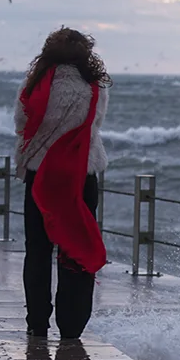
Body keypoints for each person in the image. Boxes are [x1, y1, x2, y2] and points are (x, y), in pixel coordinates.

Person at [13, 28, 111, 339]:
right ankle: (71, 324)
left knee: (38, 250)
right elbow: (96, 125)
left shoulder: (34, 85)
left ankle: (37, 322)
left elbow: (21, 124)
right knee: (74, 247)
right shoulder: (94, 87)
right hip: (81, 176)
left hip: (41, 176)